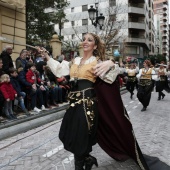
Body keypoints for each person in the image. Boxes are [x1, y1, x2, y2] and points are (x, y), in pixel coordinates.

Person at [40, 34, 170, 170]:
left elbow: (114, 75)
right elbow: (59, 70)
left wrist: (111, 62)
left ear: (95, 46)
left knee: (80, 136)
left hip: (87, 104)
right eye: (84, 39)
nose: (85, 41)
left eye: (89, 40)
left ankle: (80, 164)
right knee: (67, 133)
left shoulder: (97, 62)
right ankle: (87, 159)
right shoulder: (75, 61)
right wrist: (47, 56)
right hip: (73, 103)